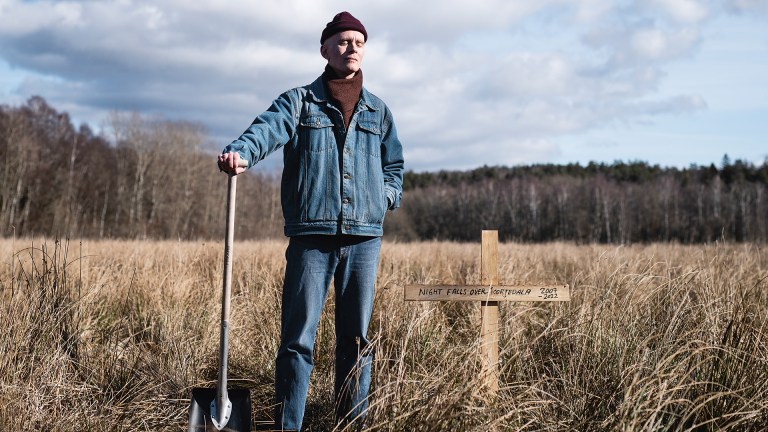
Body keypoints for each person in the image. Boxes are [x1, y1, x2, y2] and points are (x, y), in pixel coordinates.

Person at [217, 11, 404, 431]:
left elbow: (395, 166)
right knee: (298, 341)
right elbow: (264, 130)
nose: (351, 47)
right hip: (312, 241)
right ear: (324, 50)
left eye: (358, 41)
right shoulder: (299, 101)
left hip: (363, 240)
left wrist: (382, 198)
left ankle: (351, 424)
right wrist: (240, 153)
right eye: (342, 41)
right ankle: (290, 426)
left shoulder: (379, 111)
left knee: (356, 341)